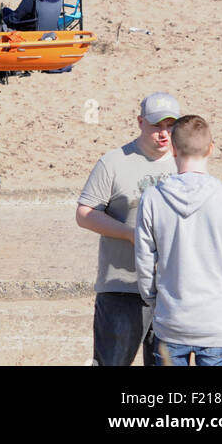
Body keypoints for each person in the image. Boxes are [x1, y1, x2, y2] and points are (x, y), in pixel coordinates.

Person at [134, 115, 222, 367]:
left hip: (171, 320)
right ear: (211, 148)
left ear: (173, 148)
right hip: (215, 323)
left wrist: (155, 300)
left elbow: (145, 261)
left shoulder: (153, 198)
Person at [76, 92, 180, 366]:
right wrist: (130, 235)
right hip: (122, 290)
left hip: (172, 291)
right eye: (157, 125)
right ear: (140, 122)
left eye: (170, 126)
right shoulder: (114, 162)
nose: (164, 133)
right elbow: (85, 214)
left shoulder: (186, 163)